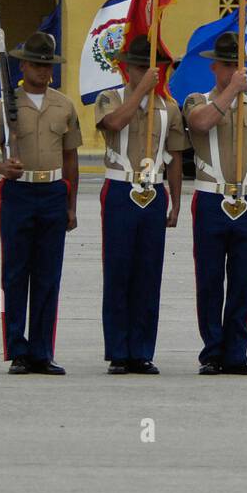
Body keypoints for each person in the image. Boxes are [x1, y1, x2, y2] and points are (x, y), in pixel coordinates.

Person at [0, 31, 80, 376]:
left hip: (52, 191)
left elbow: (71, 158)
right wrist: (3, 168)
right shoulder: (4, 106)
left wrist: (71, 205)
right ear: (23, 65)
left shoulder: (63, 106)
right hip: (19, 193)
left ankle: (42, 350)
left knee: (49, 275)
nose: (42, 71)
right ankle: (18, 349)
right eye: (36, 64)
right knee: (16, 273)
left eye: (47, 65)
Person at [183, 32, 247, 376]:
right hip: (211, 197)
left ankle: (237, 351)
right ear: (215, 67)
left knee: (242, 280)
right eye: (226, 66)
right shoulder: (198, 100)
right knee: (209, 279)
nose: (233, 71)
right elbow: (201, 123)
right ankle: (212, 351)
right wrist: (229, 92)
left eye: (237, 65)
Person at [93, 35, 188, 375]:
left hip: (153, 191)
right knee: (119, 272)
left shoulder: (169, 107)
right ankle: (119, 351)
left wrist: (175, 203)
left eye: (157, 68)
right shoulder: (110, 98)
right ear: (126, 69)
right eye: (141, 67)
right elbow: (114, 123)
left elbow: (175, 157)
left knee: (148, 274)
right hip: (120, 189)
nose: (151, 72)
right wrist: (140, 91)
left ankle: (142, 350)